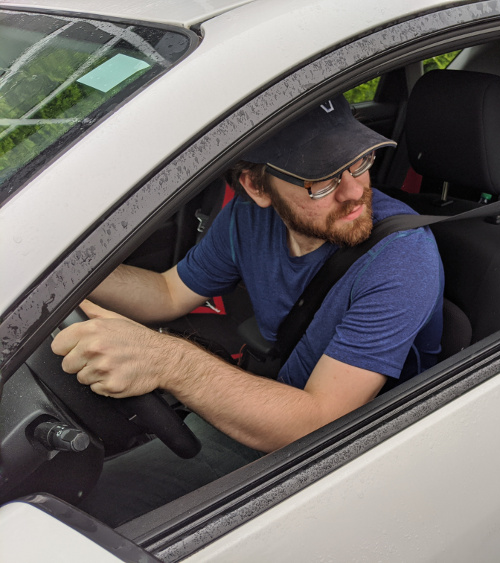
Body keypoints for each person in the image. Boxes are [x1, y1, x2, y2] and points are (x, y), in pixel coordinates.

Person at [50, 95, 444, 524]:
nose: (354, 193)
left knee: (88, 513)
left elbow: (320, 422)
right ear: (257, 187)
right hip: (269, 399)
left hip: (339, 449)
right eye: (322, 181)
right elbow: (167, 293)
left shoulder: (403, 257)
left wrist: (167, 361)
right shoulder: (247, 219)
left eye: (360, 162)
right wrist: (63, 275)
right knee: (71, 497)